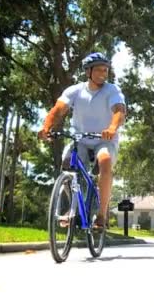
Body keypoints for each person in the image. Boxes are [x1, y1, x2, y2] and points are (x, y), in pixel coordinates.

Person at [38, 52, 126, 229]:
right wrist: (46, 127)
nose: (103, 73)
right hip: (81, 139)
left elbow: (119, 110)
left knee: (105, 161)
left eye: (106, 70)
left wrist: (111, 128)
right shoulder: (75, 91)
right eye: (99, 70)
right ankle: (71, 210)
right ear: (88, 72)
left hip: (104, 139)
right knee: (69, 164)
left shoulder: (112, 90)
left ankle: (101, 215)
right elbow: (58, 110)